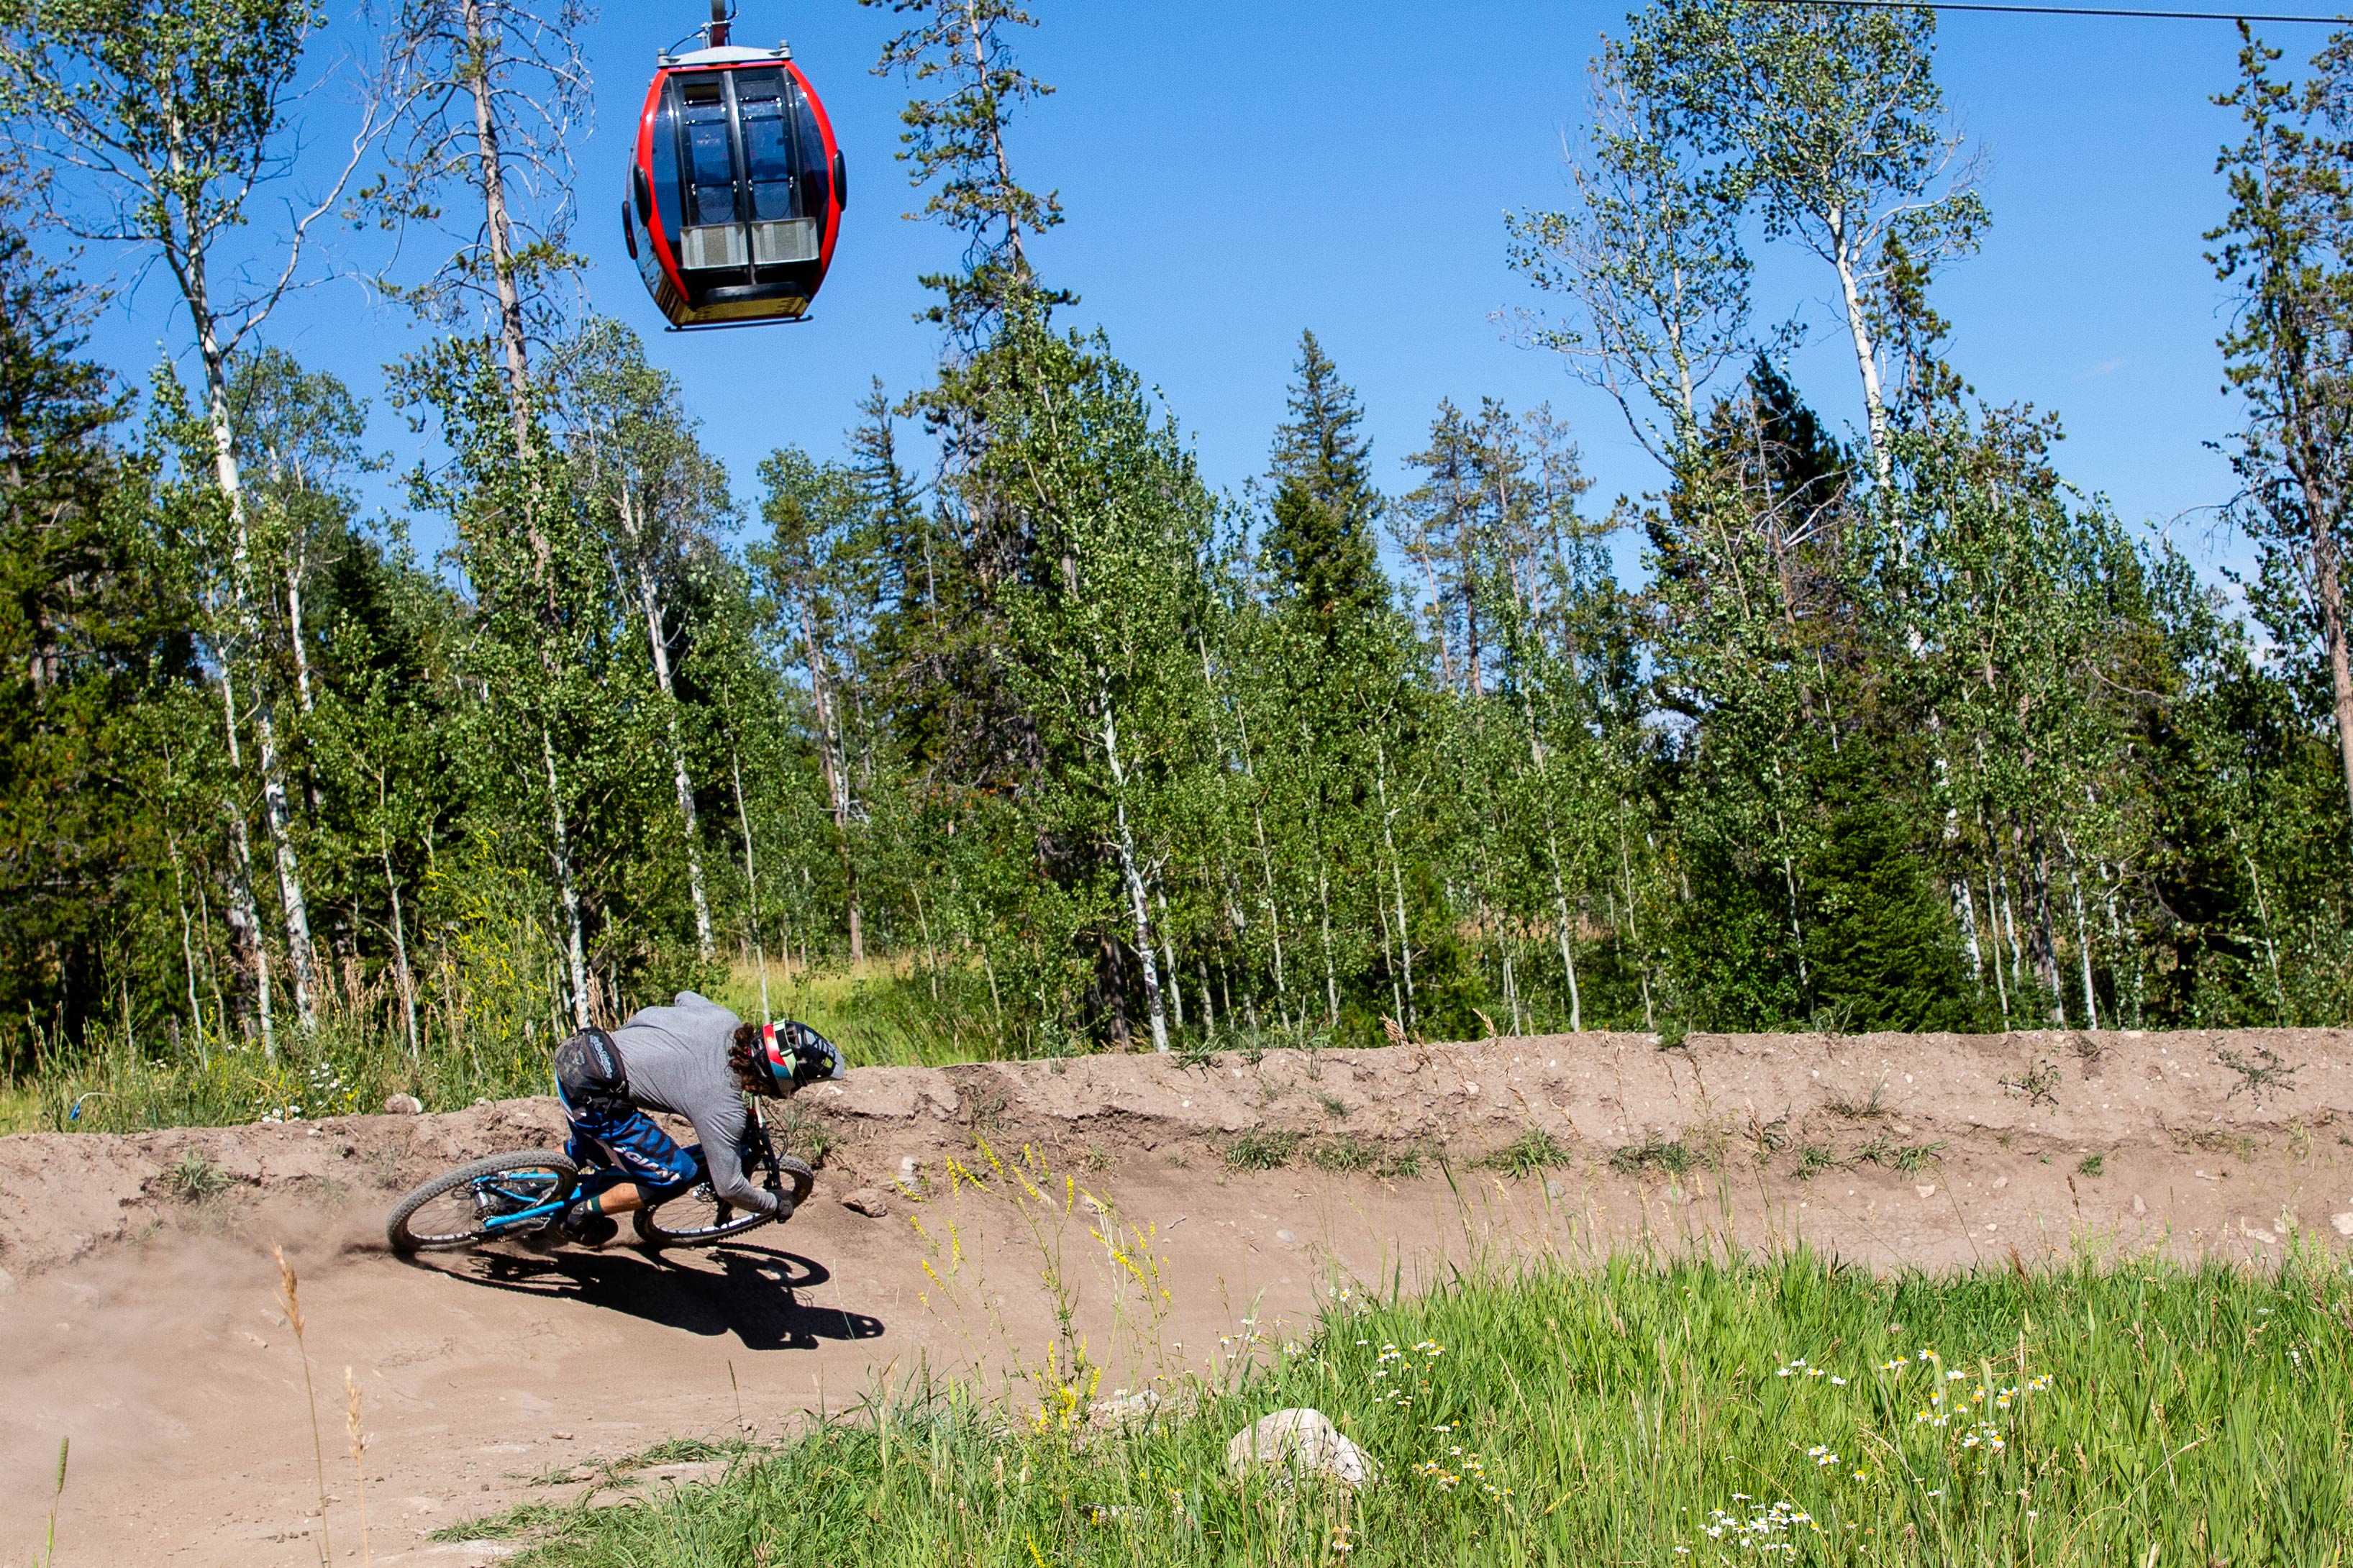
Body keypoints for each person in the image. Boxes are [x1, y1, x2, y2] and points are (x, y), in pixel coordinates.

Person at [551, 990, 845, 1245]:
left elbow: (684, 996)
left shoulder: (723, 1018)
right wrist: (773, 1203)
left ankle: (531, 1183)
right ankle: (583, 1212)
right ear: (782, 1080)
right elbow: (730, 1188)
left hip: (580, 1051)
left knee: (591, 1149)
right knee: (678, 1175)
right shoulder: (723, 1106)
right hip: (593, 1094)